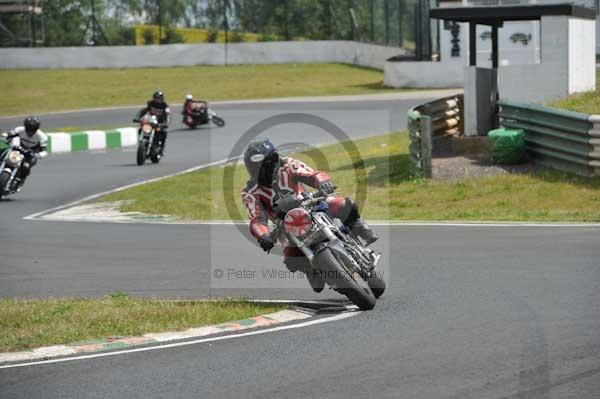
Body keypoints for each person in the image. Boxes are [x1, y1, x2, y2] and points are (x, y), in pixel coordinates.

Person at [241, 138, 377, 293]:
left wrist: (322, 183)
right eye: (257, 168)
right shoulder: (249, 191)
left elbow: (312, 174)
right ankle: (310, 269)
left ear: (275, 160)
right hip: (286, 227)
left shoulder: (288, 164)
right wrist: (263, 236)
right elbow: (256, 218)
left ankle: (358, 226)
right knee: (291, 259)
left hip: (311, 205)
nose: (265, 170)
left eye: (268, 164)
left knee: (344, 204)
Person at [3, 116, 48, 190]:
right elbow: (9, 135)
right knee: (2, 152)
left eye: (33, 129)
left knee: (26, 166)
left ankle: (20, 181)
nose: (30, 131)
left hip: (30, 154)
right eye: (29, 128)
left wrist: (38, 155)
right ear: (25, 127)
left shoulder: (42, 137)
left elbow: (44, 150)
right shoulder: (19, 130)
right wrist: (7, 137)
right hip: (17, 149)